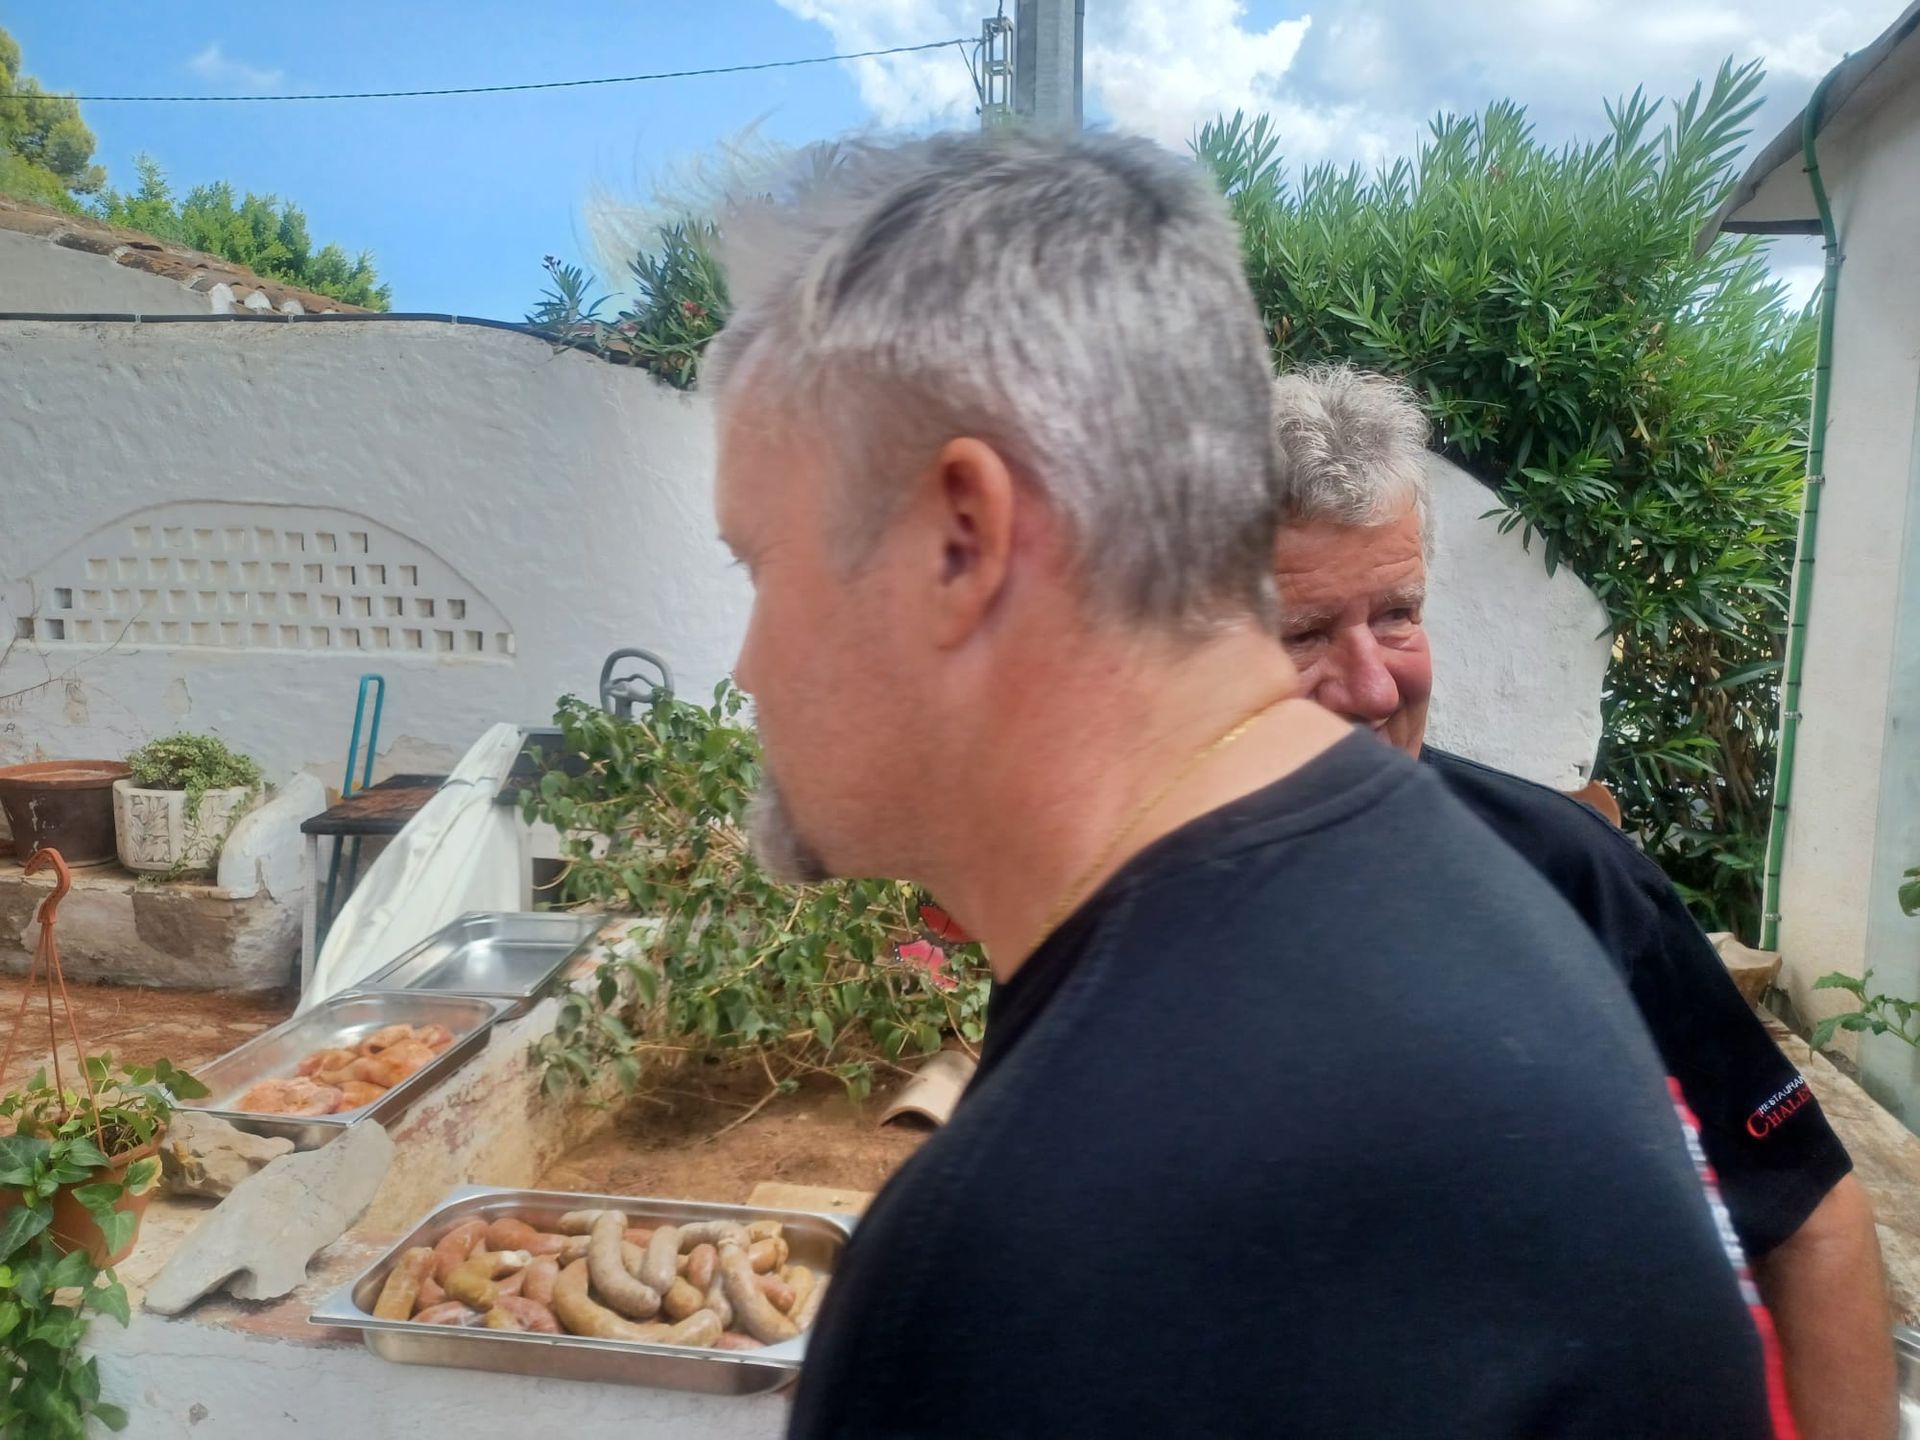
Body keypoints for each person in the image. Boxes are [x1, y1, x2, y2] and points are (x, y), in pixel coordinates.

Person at [709, 129, 1789, 1438]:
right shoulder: (1448, 890)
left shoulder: (1026, 1267)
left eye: (760, 564)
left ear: (961, 541)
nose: (749, 664)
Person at [1269, 363, 1895, 1440]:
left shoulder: (1569, 875)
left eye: (1398, 614)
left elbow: (1805, 1206)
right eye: (1305, 631)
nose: (1373, 685)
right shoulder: (1117, 919)